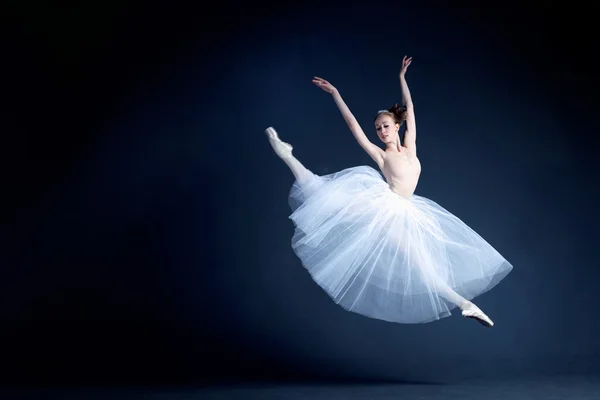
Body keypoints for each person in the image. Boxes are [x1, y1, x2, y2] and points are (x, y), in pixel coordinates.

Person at [264, 56, 512, 327]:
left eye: (385, 126)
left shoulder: (410, 146)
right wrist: (335, 94)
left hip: (408, 210)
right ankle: (287, 156)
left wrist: (402, 79)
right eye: (378, 128)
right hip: (385, 207)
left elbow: (411, 108)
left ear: (397, 126)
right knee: (323, 195)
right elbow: (353, 126)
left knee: (424, 266)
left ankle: (466, 304)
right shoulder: (382, 156)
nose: (381, 131)